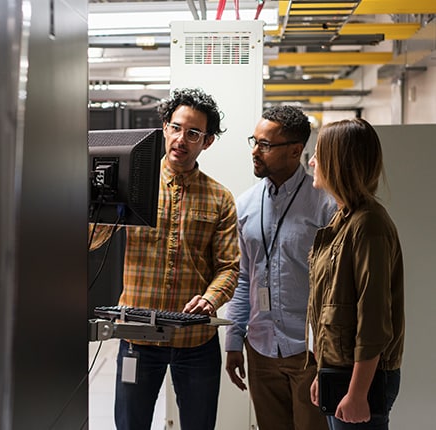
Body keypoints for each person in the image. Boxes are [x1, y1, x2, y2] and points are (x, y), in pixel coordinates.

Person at [90, 88, 239, 430]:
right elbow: (92, 243)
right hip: (138, 337)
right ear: (165, 128)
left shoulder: (220, 198)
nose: (181, 139)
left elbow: (229, 267)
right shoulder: (134, 183)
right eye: (175, 128)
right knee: (130, 425)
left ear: (208, 141)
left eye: (193, 133)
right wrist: (100, 199)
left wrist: (211, 298)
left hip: (195, 342)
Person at [223, 105, 336, 430]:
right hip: (260, 349)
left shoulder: (325, 205)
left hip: (310, 353)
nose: (255, 152)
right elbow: (245, 278)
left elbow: (334, 286)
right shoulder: (245, 205)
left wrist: (328, 354)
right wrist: (234, 341)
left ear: (295, 151)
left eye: (266, 145)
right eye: (254, 142)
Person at [307, 118, 404, 429]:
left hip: (360, 378)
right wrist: (323, 371)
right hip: (341, 371)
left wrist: (358, 391)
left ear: (338, 164)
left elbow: (373, 317)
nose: (311, 162)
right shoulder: (344, 219)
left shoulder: (368, 225)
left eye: (318, 155)